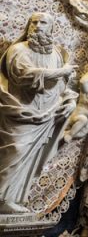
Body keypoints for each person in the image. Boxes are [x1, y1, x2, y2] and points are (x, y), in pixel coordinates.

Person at [0, 13, 77, 213]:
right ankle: (1, 198)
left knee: (32, 159)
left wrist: (69, 101)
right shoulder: (18, 50)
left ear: (51, 28)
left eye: (43, 23)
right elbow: (23, 76)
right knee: (15, 150)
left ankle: (13, 199)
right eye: (34, 22)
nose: (38, 26)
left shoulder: (56, 56)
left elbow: (61, 87)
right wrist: (61, 72)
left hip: (47, 116)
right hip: (20, 114)